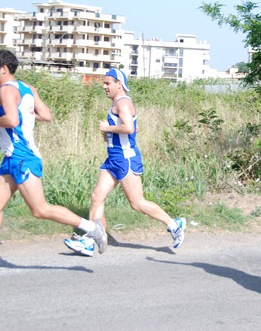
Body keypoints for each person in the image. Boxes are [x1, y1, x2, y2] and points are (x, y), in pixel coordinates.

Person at [0, 50, 106, 277]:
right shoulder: (26, 88)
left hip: (22, 158)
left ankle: (92, 228)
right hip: (12, 157)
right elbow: (46, 115)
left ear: (3, 69)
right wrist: (27, 110)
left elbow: (12, 120)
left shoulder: (5, 90)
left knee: (40, 209)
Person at [64, 68, 185, 256]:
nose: (104, 86)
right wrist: (107, 133)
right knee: (97, 196)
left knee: (137, 203)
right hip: (113, 158)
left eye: (107, 83)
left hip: (125, 159)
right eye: (103, 83)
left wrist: (108, 127)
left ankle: (173, 224)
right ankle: (90, 240)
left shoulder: (124, 103)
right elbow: (119, 131)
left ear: (119, 84)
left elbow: (129, 128)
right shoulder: (116, 103)